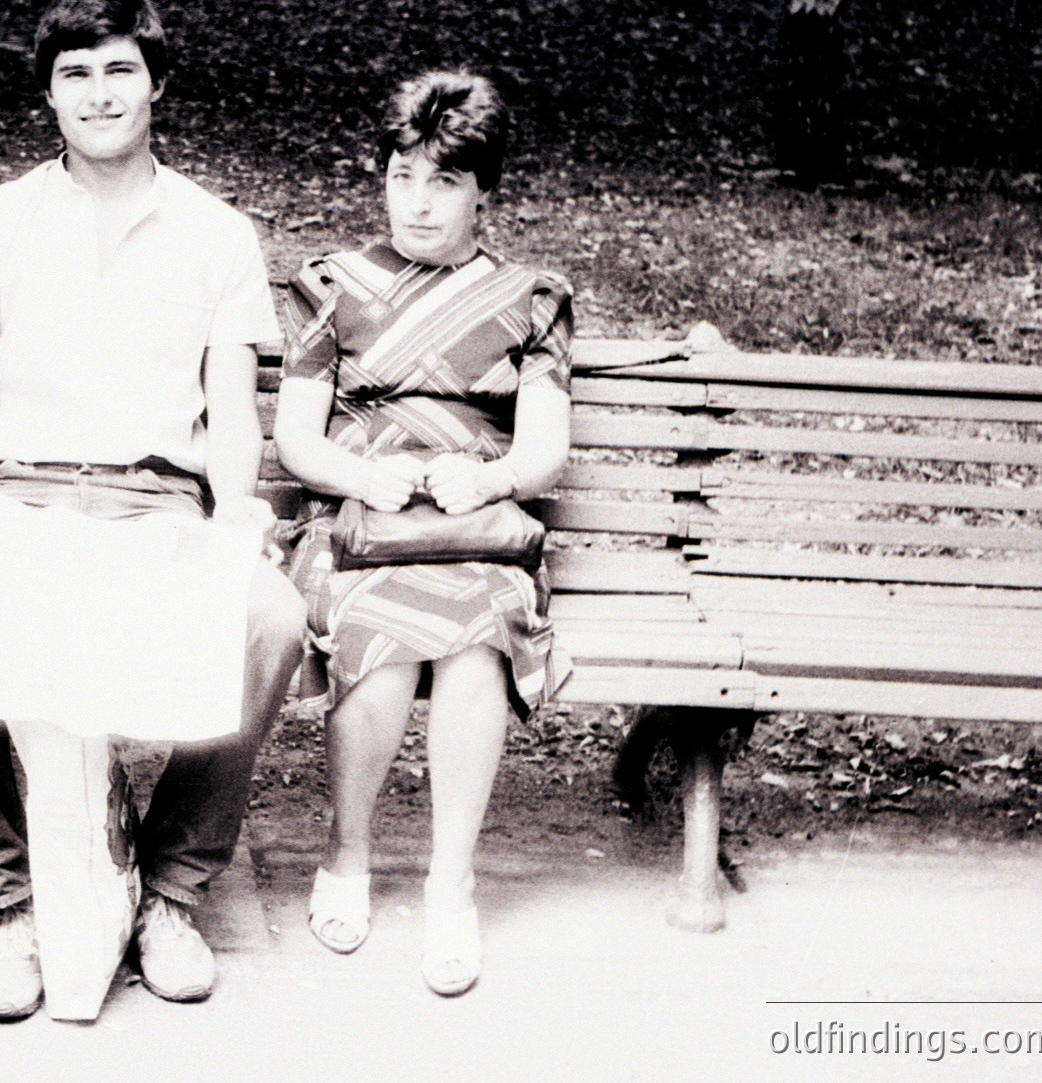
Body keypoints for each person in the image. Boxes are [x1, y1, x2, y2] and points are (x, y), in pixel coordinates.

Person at [0, 0, 305, 1020]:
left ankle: (170, 891)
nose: (101, 92)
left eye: (119, 69)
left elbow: (231, 404)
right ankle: (5, 901)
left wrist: (234, 512)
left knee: (269, 619)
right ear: (49, 92)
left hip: (153, 500)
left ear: (155, 81)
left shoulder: (214, 230)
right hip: (15, 496)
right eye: (77, 74)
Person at [273, 70, 572, 997]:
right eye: (400, 176)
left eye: (441, 182)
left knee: (479, 637)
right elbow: (294, 435)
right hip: (358, 525)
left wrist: (483, 475)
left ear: (484, 188)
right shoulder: (333, 285)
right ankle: (347, 851)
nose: (416, 201)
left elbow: (544, 448)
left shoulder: (531, 297)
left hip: (478, 529)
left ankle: (451, 883)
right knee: (382, 632)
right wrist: (366, 474)